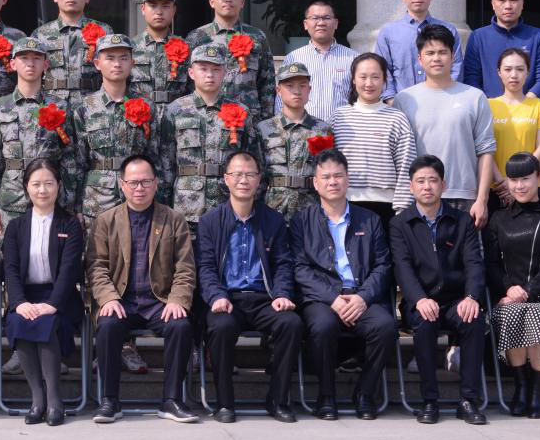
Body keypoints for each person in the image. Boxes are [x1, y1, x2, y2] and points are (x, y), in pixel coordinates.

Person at [87, 155, 199, 425]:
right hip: (121, 300)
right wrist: (108, 298)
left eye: (146, 182)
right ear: (122, 184)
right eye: (133, 182)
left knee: (181, 326)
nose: (140, 188)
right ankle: (110, 400)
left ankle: (171, 400)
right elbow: (96, 266)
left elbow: (185, 267)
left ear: (156, 183)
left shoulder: (173, 219)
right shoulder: (106, 220)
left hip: (159, 301)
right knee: (108, 325)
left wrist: (177, 300)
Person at [290, 148, 396, 420]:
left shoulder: (370, 219)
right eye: (325, 177)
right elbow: (300, 269)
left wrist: (362, 297)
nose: (332, 182)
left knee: (385, 327)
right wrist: (333, 299)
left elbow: (383, 265)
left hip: (361, 295)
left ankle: (365, 393)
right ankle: (326, 396)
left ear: (348, 180)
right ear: (315, 183)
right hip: (323, 299)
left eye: (338, 176)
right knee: (322, 327)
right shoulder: (302, 220)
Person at [198, 150, 301, 424]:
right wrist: (216, 296)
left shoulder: (273, 220)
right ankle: (224, 403)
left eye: (250, 174)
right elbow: (205, 267)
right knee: (220, 327)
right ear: (226, 179)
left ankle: (278, 400)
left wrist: (281, 294)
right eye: (237, 174)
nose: (243, 180)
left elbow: (283, 264)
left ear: (259, 180)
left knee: (290, 323)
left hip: (264, 298)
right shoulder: (210, 221)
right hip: (227, 299)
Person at [389, 155, 489, 425]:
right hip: (419, 301)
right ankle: (429, 400)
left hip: (456, 299)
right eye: (420, 181)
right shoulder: (400, 224)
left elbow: (474, 263)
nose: (427, 187)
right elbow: (402, 268)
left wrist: (472, 297)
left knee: (474, 320)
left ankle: (468, 400)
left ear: (443, 185)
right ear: (411, 186)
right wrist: (419, 299)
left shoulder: (462, 221)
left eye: (433, 180)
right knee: (425, 322)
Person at [484, 152, 540, 418]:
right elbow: (491, 263)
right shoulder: (498, 219)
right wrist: (508, 288)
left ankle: (538, 389)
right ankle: (521, 386)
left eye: (525, 179)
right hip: (508, 296)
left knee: (535, 314)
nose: (519, 186)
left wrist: (527, 292)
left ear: (539, 178)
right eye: (513, 180)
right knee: (513, 313)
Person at [1, 159, 84, 426]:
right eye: (36, 184)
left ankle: (54, 398)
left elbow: (70, 270)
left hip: (60, 297)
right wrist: (19, 302)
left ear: (58, 186)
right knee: (19, 320)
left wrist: (53, 303)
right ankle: (37, 399)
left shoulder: (69, 225)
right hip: (26, 296)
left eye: (49, 183)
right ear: (27, 187)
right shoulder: (16, 226)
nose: (42, 190)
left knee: (47, 321)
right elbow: (10, 269)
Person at [392, 24, 495, 228]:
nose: (436, 58)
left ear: (453, 56)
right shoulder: (404, 99)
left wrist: (482, 199)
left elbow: (486, 151)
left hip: (463, 196)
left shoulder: (475, 97)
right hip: (419, 196)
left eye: (442, 52)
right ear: (419, 59)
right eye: (430, 53)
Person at [0, 37, 81, 240]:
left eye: (37, 58)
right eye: (24, 58)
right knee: (11, 253)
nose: (30, 63)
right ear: (13, 64)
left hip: (50, 196)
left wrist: (70, 203)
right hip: (12, 198)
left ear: (46, 65)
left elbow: (69, 158)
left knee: (50, 251)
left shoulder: (59, 107)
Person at [74, 33, 173, 220]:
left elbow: (155, 157)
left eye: (123, 58)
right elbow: (79, 162)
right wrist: (76, 206)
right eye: (110, 58)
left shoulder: (147, 106)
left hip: (138, 194)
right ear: (97, 63)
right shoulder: (84, 108)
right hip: (98, 198)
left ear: (132, 63)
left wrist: (160, 199)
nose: (117, 64)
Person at [165, 44, 264, 223]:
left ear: (224, 73)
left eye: (216, 69)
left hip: (229, 205)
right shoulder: (175, 111)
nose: (210, 75)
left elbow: (253, 160)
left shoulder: (241, 111)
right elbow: (166, 163)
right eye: (203, 69)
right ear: (191, 72)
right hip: (187, 206)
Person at [330, 52, 417, 224]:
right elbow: (327, 164)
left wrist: (402, 210)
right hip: (344, 204)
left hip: (386, 207)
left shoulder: (397, 118)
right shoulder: (339, 117)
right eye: (363, 77)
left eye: (375, 77)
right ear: (353, 79)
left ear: (384, 80)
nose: (369, 83)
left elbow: (406, 166)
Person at [184, 0, 274, 125]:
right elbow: (187, 83)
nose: (228, 0)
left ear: (242, 2)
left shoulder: (257, 37)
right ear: (212, 1)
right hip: (208, 121)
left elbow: (267, 84)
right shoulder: (196, 37)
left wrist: (265, 124)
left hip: (248, 121)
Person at [374, 0, 463, 102]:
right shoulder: (388, 32)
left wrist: (446, 99)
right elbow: (383, 70)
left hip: (442, 102)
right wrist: (392, 102)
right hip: (400, 105)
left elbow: (456, 67)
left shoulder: (448, 29)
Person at [258, 62, 334, 219]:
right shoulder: (264, 128)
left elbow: (329, 172)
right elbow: (258, 174)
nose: (297, 91)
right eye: (289, 86)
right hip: (273, 209)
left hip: (311, 210)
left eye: (302, 86)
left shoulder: (322, 129)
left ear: (309, 90)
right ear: (278, 91)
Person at [31, 0, 113, 109]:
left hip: (93, 106)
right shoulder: (40, 34)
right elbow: (31, 75)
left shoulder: (104, 31)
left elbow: (113, 72)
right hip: (53, 107)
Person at [488, 48, 540, 210]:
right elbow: (485, 149)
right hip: (496, 187)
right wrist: (502, 181)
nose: (514, 75)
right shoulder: (488, 105)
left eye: (520, 69)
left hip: (529, 187)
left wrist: (517, 180)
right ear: (499, 72)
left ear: (527, 72)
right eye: (508, 69)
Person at [463, 0, 540, 100]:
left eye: (514, 0)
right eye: (502, 0)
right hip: (488, 107)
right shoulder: (478, 37)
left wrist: (525, 103)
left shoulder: (537, 36)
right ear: (493, 4)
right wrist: (487, 104)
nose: (508, 6)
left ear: (522, 3)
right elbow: (471, 77)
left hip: (527, 107)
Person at [279, 0, 356, 121]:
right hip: (305, 129)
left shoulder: (353, 58)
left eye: (326, 18)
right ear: (305, 24)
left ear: (336, 23)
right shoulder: (293, 58)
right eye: (315, 18)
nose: (321, 23)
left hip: (343, 128)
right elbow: (282, 97)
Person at [130, 0, 191, 111]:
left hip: (177, 115)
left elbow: (195, 89)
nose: (159, 12)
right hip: (141, 117)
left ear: (174, 10)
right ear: (143, 9)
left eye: (165, 6)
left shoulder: (186, 48)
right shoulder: (130, 48)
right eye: (153, 6)